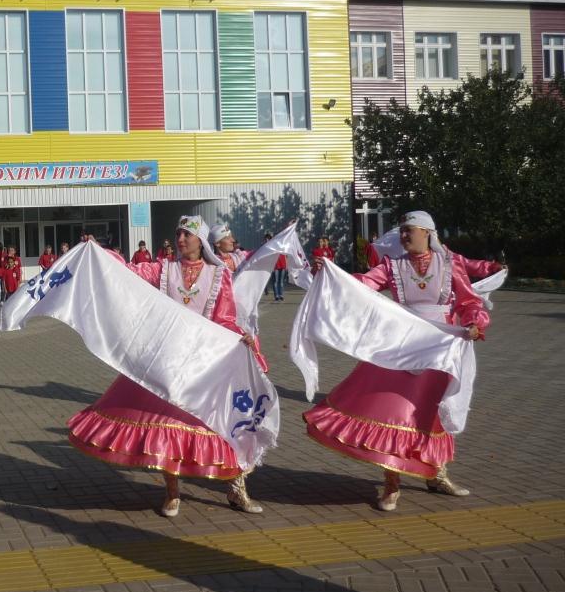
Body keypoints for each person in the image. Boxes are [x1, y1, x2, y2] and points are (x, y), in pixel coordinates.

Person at [67, 217, 266, 518]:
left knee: (226, 424)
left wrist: (241, 340)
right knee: (165, 426)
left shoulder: (218, 275)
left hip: (204, 359)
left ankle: (237, 490)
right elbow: (126, 271)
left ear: (201, 240)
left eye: (188, 234)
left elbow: (224, 318)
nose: (182, 239)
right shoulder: (163, 269)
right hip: (168, 360)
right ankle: (172, 492)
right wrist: (98, 251)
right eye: (178, 234)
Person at [303, 211, 487, 512]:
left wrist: (475, 323)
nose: (403, 236)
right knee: (395, 413)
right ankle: (392, 482)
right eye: (402, 231)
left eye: (409, 230)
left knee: (432, 414)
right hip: (401, 344)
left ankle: (437, 473)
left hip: (440, 347)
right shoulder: (393, 265)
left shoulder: (449, 264)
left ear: (427, 232)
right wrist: (330, 272)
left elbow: (469, 301)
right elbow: (361, 284)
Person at [263, 234, 287, 301]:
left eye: (267, 239)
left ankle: (281, 295)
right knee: (275, 281)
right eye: (265, 239)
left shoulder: (279, 245)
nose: (266, 241)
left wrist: (286, 265)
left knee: (281, 281)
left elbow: (285, 254)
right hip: (275, 265)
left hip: (282, 264)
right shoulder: (267, 247)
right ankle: (276, 295)